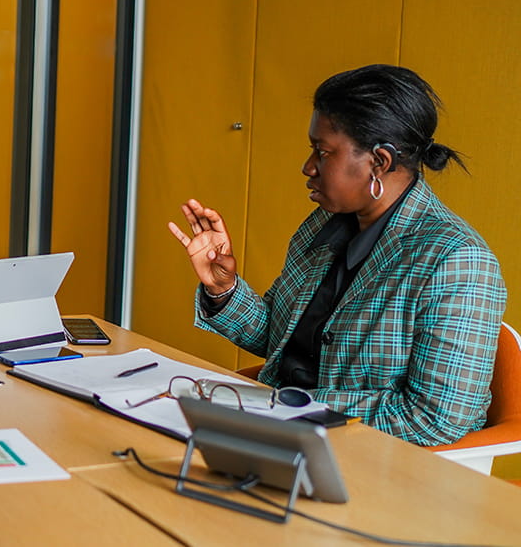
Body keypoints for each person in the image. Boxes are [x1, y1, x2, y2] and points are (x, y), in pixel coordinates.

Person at [169, 64, 506, 446]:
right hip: (277, 432)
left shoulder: (456, 260)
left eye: (322, 152)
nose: (308, 167)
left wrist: (284, 406)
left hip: (367, 461)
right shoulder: (324, 226)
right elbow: (279, 340)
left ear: (379, 162)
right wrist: (223, 288)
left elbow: (435, 418)